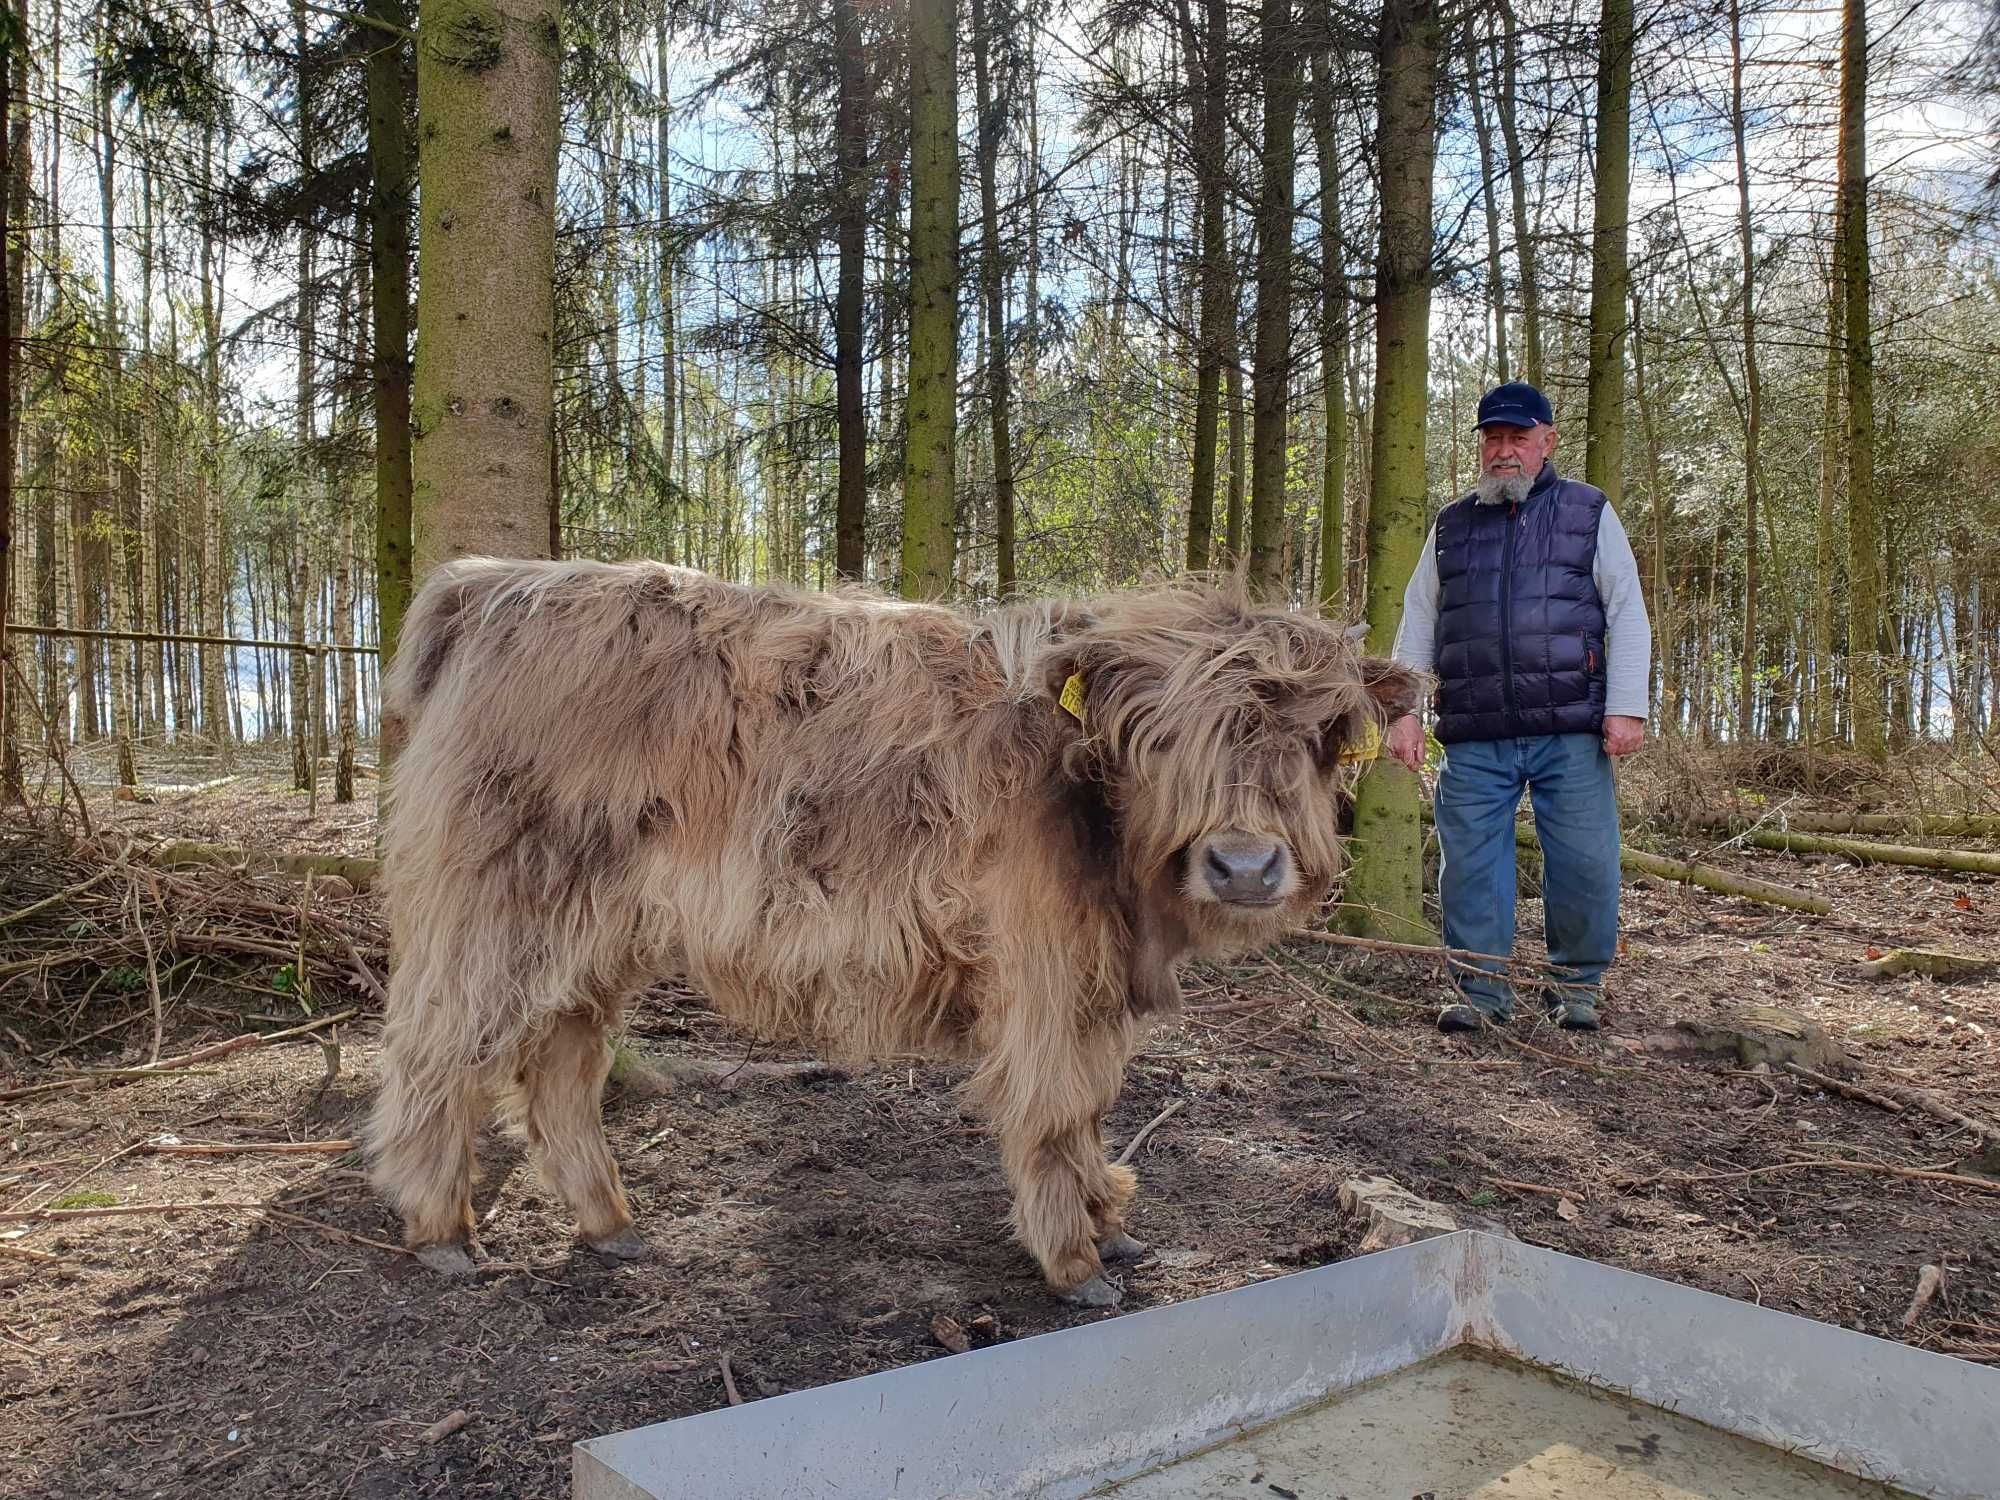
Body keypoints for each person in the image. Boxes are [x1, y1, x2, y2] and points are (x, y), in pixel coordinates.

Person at [1386, 381, 1650, 1034]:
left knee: (1586, 863)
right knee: (1470, 869)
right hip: (1476, 732)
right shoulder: (1451, 526)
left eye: (1518, 437)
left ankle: (1577, 988)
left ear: (1547, 441)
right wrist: (1404, 710)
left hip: (1571, 728)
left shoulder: (1588, 512)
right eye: (1494, 438)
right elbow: (1419, 618)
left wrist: (1627, 706)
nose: (1505, 451)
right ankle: (1478, 992)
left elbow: (1627, 612)